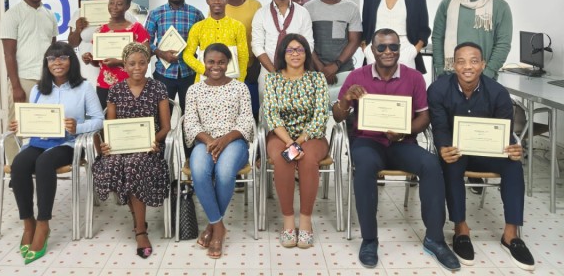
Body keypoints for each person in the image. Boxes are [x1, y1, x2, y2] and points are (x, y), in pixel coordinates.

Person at [332, 29, 459, 271]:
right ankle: (369, 240)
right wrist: (346, 99)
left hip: (402, 143)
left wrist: (405, 131)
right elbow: (338, 117)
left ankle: (435, 239)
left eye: (393, 47)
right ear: (372, 50)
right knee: (364, 166)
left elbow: (424, 117)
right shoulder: (357, 76)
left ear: (400, 50)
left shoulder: (414, 78)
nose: (388, 52)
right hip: (368, 142)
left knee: (431, 164)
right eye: (382, 47)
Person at [428, 42, 535, 270]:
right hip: (457, 150)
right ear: (453, 65)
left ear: (483, 65)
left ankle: (511, 235)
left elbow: (505, 132)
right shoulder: (438, 89)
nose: (468, 66)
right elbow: (439, 126)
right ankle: (461, 229)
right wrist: (443, 147)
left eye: (474, 61)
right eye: (461, 61)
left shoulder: (498, 92)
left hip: (489, 152)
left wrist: (513, 147)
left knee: (514, 165)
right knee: (451, 163)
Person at [9, 42, 104, 265]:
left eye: (62, 58)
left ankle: (43, 224)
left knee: (44, 163)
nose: (57, 63)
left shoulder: (84, 88)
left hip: (68, 144)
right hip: (38, 141)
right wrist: (20, 125)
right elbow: (32, 119)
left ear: (71, 61)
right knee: (19, 164)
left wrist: (78, 127)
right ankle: (28, 223)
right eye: (52, 59)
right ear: (46, 63)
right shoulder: (37, 89)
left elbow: (99, 119)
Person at [92, 43, 171, 259]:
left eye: (142, 63)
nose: (137, 67)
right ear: (124, 65)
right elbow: (110, 127)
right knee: (115, 163)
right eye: (132, 63)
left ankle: (140, 230)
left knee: (134, 164)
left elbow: (166, 127)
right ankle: (138, 219)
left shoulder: (158, 88)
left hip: (151, 147)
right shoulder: (116, 90)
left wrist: (151, 141)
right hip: (122, 147)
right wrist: (108, 144)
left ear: (148, 64)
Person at [183, 43, 255, 259]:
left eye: (221, 62)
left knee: (224, 172)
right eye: (211, 62)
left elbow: (246, 121)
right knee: (198, 170)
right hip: (204, 143)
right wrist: (211, 141)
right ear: (204, 62)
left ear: (228, 63)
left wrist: (223, 141)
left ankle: (213, 229)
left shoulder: (240, 88)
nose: (216, 66)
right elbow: (190, 123)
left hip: (234, 142)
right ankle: (218, 226)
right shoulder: (194, 90)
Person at [264, 33, 329, 249]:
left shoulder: (317, 79)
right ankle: (288, 221)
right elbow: (271, 114)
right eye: (290, 50)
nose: (295, 54)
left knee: (307, 159)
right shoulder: (273, 79)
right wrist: (289, 142)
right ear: (283, 53)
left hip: (311, 135)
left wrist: (299, 140)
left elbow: (320, 115)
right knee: (284, 158)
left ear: (306, 54)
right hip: (280, 135)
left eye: (299, 50)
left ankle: (306, 221)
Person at [1, 0, 58, 162]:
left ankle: (42, 163)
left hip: (47, 79)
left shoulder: (49, 14)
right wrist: (16, 86)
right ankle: (13, 167)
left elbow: (53, 50)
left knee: (46, 124)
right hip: (23, 79)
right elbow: (9, 54)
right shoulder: (12, 15)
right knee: (16, 125)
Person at [432, 0, 512, 80]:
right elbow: (437, 38)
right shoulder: (447, 3)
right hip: (450, 76)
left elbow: (503, 44)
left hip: (484, 77)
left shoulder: (501, 6)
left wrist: (488, 73)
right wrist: (439, 69)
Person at [81, 0, 149, 108]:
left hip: (131, 85)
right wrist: (90, 58)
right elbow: (99, 62)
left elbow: (146, 57)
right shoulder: (101, 30)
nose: (114, 7)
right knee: (107, 118)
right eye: (111, 3)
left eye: (119, 4)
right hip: (104, 86)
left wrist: (119, 62)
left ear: (127, 6)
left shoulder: (136, 29)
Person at [144, 0, 204, 114]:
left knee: (190, 115)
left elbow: (204, 41)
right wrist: (161, 53)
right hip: (163, 73)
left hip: (189, 72)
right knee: (162, 114)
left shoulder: (196, 14)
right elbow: (146, 41)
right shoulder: (155, 13)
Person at [251, 0, 314, 99]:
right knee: (268, 110)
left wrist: (292, 70)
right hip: (269, 73)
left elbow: (308, 44)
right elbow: (257, 46)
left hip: (297, 73)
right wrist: (275, 73)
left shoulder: (302, 13)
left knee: (296, 108)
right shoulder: (261, 13)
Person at [304, 0, 362, 102]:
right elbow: (305, 41)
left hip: (344, 71)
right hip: (315, 71)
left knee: (346, 108)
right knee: (316, 109)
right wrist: (320, 68)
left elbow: (354, 41)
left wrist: (336, 65)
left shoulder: (351, 7)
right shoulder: (308, 8)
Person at [67, 0, 138, 82]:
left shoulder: (125, 14)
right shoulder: (80, 13)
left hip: (119, 72)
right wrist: (77, 30)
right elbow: (72, 44)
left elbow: (138, 44)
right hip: (88, 71)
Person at [182, 0, 248, 83]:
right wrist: (204, 70)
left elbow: (243, 56)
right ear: (207, 1)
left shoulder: (237, 26)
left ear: (226, 0)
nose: (217, 1)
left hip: (231, 81)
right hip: (204, 80)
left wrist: (239, 81)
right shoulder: (197, 27)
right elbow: (187, 54)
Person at [223, 0, 263, 119]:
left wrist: (256, 63)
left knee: (252, 110)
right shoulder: (219, 5)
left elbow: (261, 36)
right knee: (231, 111)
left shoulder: (255, 5)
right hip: (227, 67)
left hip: (251, 66)